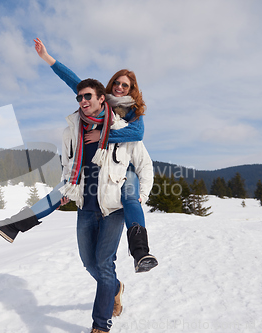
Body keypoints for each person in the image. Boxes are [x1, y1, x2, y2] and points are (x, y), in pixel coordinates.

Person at [0, 38, 158, 273]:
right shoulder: (98, 98)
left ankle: (140, 252)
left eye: (125, 85)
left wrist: (102, 138)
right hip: (94, 167)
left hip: (123, 166)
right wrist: (47, 57)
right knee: (63, 188)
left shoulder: (133, 111)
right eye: (116, 82)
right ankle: (13, 226)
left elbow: (138, 133)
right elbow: (73, 80)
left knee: (130, 195)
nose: (119, 87)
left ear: (131, 89)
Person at [61, 78, 154, 332]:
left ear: (102, 99)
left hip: (114, 208)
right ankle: (115, 287)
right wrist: (66, 188)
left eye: (87, 96)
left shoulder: (123, 129)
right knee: (88, 262)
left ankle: (100, 324)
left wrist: (138, 197)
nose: (83, 101)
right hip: (86, 206)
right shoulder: (73, 130)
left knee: (103, 263)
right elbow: (67, 164)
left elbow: (145, 165)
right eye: (79, 98)